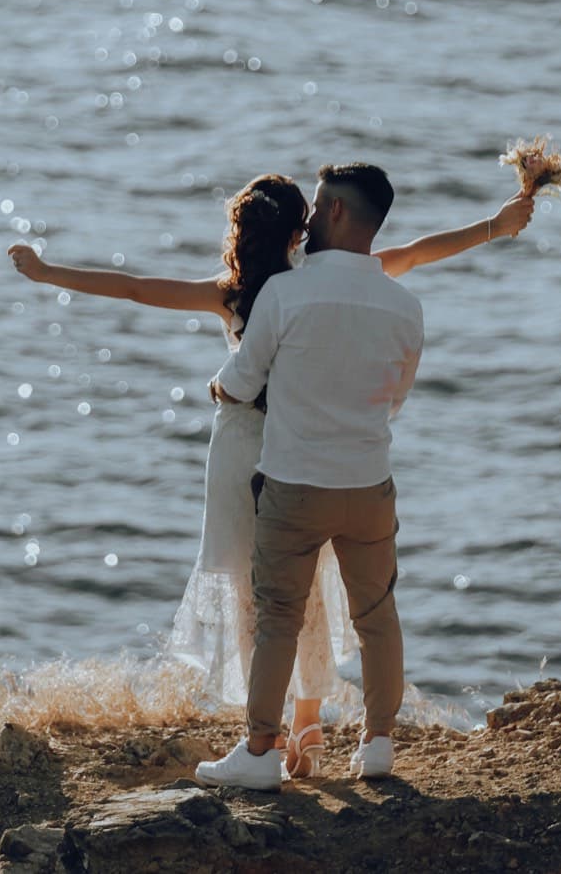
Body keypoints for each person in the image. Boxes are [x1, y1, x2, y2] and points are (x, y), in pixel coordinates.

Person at [8, 171, 531, 778]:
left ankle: (267, 736)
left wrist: (48, 273)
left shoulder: (238, 293)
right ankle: (308, 725)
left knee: (264, 600)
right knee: (316, 592)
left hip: (245, 452)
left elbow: (134, 288)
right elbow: (416, 253)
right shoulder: (320, 282)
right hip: (318, 453)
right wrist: (493, 226)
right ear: (296, 229)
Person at [195, 162, 423, 790]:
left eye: (320, 207)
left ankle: (261, 752)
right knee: (377, 616)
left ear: (341, 213)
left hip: (295, 486)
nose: (311, 218)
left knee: (278, 617)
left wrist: (217, 384)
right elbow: (395, 397)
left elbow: (243, 382)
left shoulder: (284, 294)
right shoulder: (404, 305)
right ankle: (377, 744)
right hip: (369, 484)